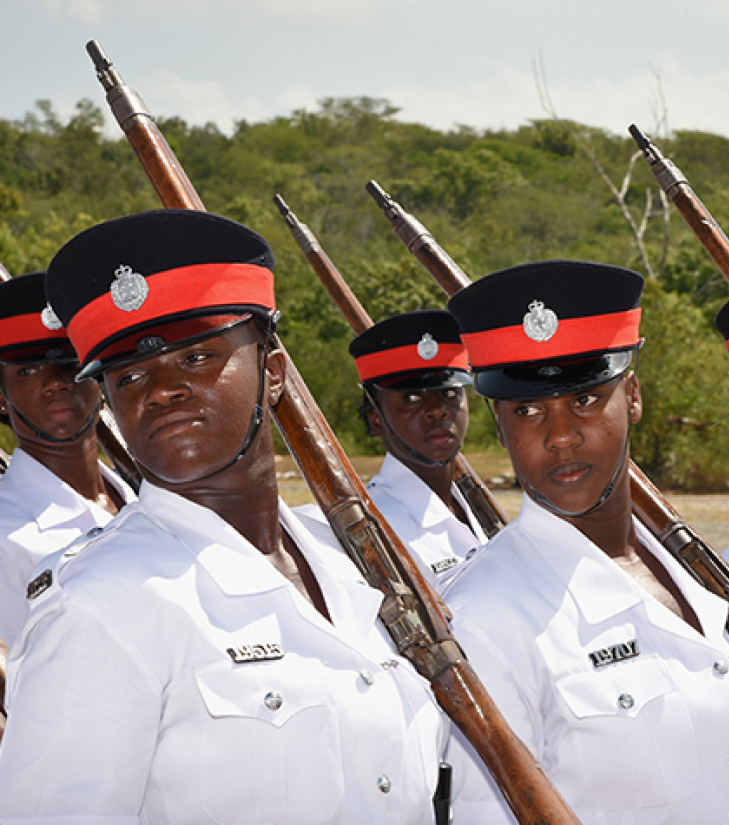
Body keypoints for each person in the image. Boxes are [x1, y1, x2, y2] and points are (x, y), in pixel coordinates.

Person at [0, 210, 446, 823]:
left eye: (197, 359)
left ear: (274, 373)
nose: (160, 391)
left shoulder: (350, 560)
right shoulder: (98, 607)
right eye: (129, 376)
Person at [441, 259, 729, 824]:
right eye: (527, 410)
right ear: (497, 425)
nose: (560, 436)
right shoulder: (484, 616)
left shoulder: (691, 574)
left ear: (632, 396)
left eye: (585, 399)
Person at [0, 271, 134, 650]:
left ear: (101, 381)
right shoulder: (5, 533)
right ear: (1, 398)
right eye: (27, 371)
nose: (56, 381)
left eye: (70, 363)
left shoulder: (149, 497)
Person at [348, 310, 486, 587]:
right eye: (412, 398)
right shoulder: (375, 524)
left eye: (450, 393)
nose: (437, 411)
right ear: (377, 419)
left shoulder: (473, 504)